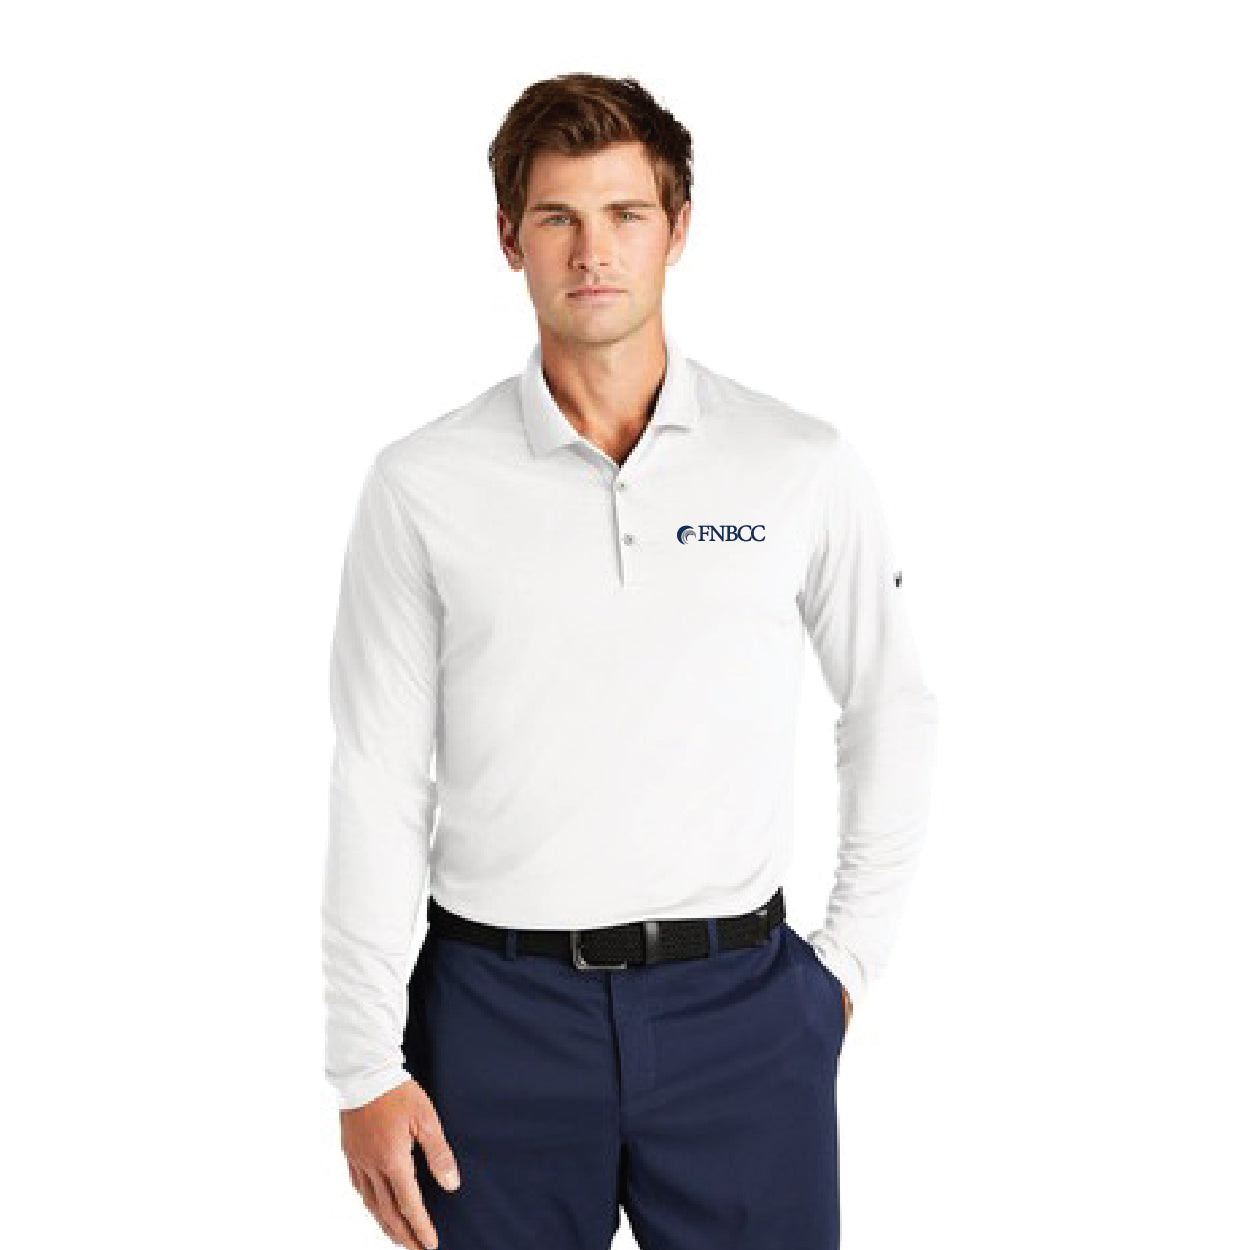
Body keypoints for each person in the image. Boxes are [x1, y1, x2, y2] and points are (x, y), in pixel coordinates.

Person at [322, 72, 939, 1250]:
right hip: (493, 1019)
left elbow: (889, 706)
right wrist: (360, 1060)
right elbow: (376, 775)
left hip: (741, 1014)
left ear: (677, 228)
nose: (591, 251)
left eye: (624, 214)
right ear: (508, 237)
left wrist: (845, 966)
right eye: (556, 216)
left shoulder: (796, 463)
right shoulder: (421, 485)